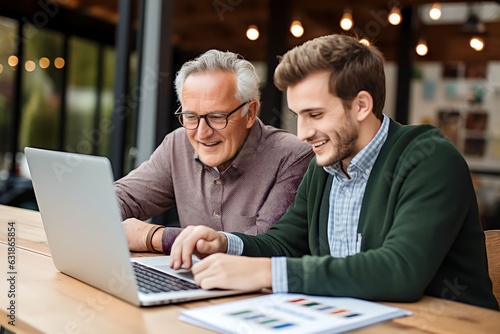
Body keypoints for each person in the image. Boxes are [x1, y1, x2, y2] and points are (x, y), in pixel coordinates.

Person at [169, 34, 499, 311]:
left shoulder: (430, 159)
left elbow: (399, 271)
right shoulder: (324, 166)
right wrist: (225, 243)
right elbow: (285, 243)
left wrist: (266, 273)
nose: (302, 132)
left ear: (361, 105)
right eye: (298, 115)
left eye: (315, 114)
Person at [114, 50, 313, 254]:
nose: (202, 133)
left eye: (217, 117)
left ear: (250, 113)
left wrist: (154, 237)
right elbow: (123, 198)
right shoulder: (177, 144)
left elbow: (267, 246)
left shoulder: (292, 156)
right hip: (186, 279)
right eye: (191, 117)